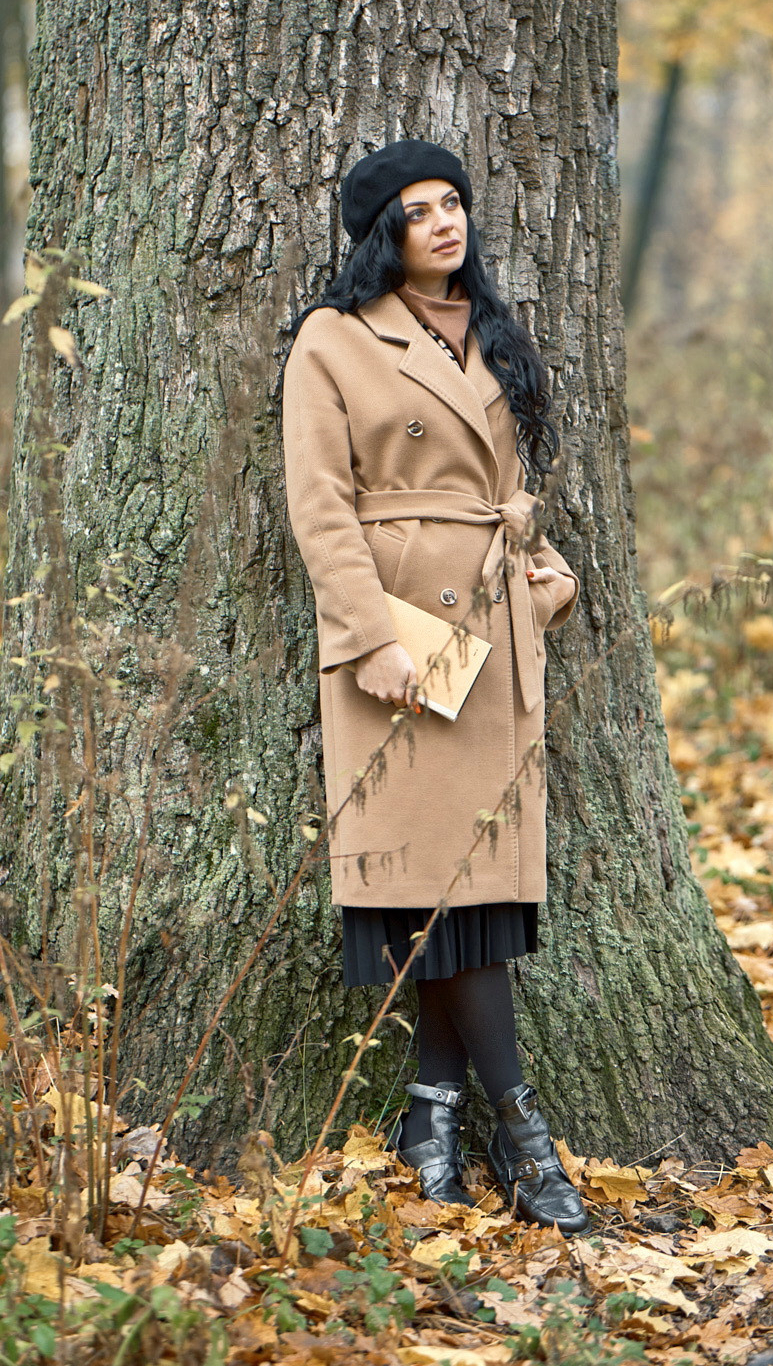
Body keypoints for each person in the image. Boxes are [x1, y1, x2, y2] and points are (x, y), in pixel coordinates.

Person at [281, 139, 589, 1234]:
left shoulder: (495, 330)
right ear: (381, 236)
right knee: (435, 891)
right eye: (415, 211)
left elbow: (507, 490)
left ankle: (429, 1120)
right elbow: (319, 503)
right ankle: (525, 1134)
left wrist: (544, 581)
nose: (443, 222)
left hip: (493, 635)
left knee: (479, 897)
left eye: (451, 201)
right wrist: (370, 637)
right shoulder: (333, 340)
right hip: (406, 639)